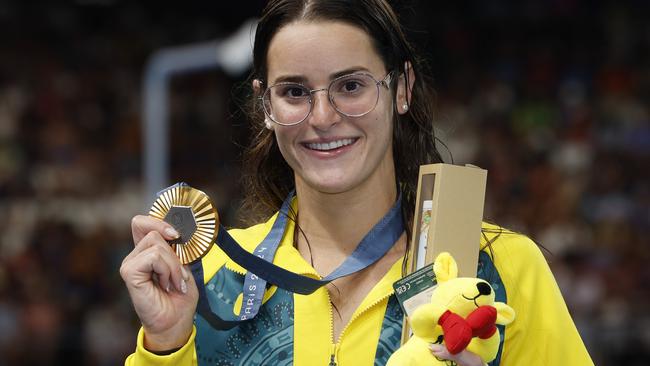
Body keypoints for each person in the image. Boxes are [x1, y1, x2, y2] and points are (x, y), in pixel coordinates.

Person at [121, 0, 594, 365]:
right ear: (266, 106)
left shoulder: (498, 268)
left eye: (351, 86)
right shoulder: (209, 279)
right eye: (294, 92)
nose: (323, 117)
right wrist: (164, 345)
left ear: (402, 89)